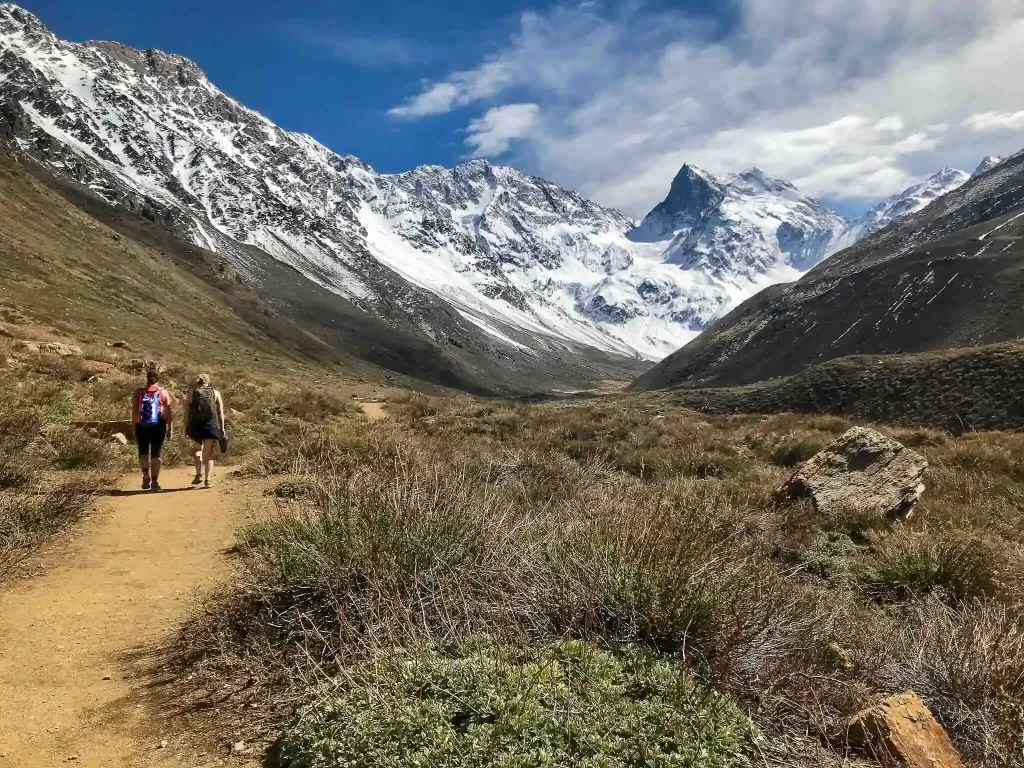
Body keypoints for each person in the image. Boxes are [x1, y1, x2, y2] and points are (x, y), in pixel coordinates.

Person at [132, 364, 173, 492]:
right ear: (158, 379)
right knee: (156, 453)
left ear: (147, 378)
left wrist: (134, 428)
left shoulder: (138, 392)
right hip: (159, 424)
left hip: (141, 424)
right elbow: (169, 412)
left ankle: (145, 473)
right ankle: (154, 481)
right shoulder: (163, 392)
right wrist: (170, 428)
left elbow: (134, 411)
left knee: (143, 451)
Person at [184, 373, 226, 488]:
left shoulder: (192, 393)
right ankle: (207, 480)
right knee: (208, 454)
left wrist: (186, 427)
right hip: (211, 426)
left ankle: (198, 475)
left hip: (195, 426)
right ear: (208, 381)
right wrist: (222, 428)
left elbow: (187, 413)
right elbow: (220, 413)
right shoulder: (215, 393)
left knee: (198, 450)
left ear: (197, 382)